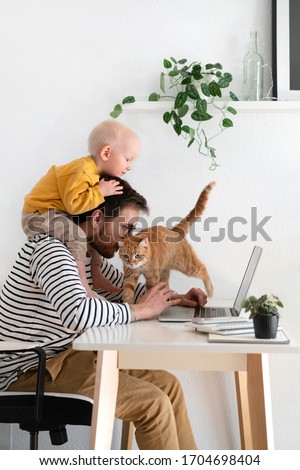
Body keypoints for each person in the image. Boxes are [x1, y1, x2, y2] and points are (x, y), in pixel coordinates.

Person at [0, 177, 207, 450]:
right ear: (97, 217)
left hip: (67, 358)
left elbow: (125, 294)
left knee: (169, 387)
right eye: (125, 227)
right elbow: (78, 312)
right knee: (153, 404)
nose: (129, 237)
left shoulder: (85, 254)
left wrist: (176, 300)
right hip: (29, 371)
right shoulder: (51, 249)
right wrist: (141, 310)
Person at [21, 119, 140, 298]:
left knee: (85, 238)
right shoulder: (83, 171)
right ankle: (84, 284)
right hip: (37, 215)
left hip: (52, 213)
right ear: (106, 152)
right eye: (127, 159)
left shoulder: (93, 173)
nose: (129, 166)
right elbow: (74, 205)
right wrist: (99, 192)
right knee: (76, 236)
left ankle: (96, 275)